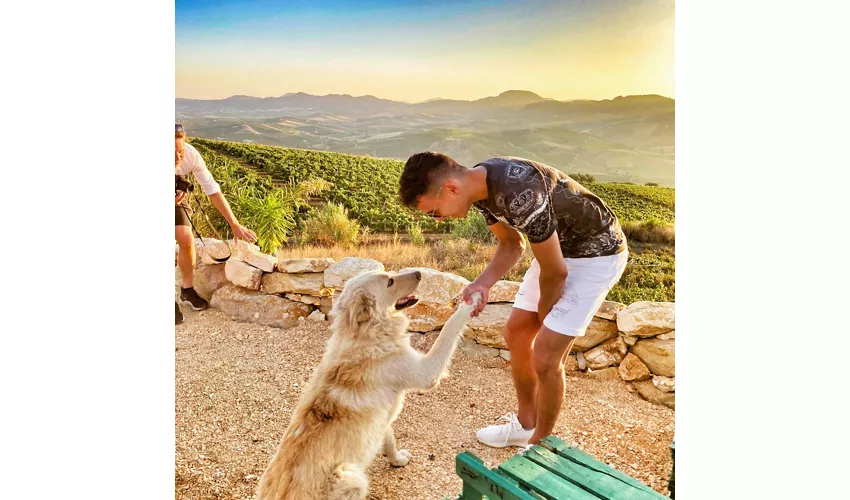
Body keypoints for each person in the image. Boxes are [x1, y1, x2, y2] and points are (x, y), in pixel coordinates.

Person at [398, 152, 628, 448]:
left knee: (546, 355)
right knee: (517, 331)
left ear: (452, 189)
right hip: (559, 249)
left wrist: (547, 315)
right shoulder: (479, 191)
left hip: (598, 254)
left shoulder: (520, 192)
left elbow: (555, 273)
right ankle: (525, 425)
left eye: (434, 212)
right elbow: (512, 244)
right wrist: (481, 283)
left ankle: (540, 446)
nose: (438, 220)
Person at [175, 123, 257, 324]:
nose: (178, 158)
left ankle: (187, 290)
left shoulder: (191, 155)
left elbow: (212, 190)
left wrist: (234, 224)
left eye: (180, 151)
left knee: (186, 239)